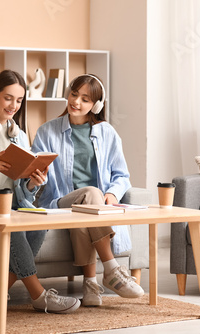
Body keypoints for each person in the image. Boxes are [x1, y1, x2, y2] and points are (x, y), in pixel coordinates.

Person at [0, 69, 80, 315]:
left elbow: (24, 192)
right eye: (8, 98)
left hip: (13, 207)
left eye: (19, 100)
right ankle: (39, 295)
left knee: (40, 223)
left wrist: (33, 182)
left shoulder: (18, 135)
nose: (13, 106)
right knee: (15, 230)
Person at [31, 74, 144, 307]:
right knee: (91, 193)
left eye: (85, 99)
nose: (76, 102)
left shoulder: (108, 133)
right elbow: (32, 179)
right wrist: (35, 178)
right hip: (60, 201)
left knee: (87, 209)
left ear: (96, 105)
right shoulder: (46, 131)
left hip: (90, 208)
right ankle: (112, 270)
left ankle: (90, 284)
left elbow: (122, 175)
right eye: (74, 95)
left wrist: (112, 193)